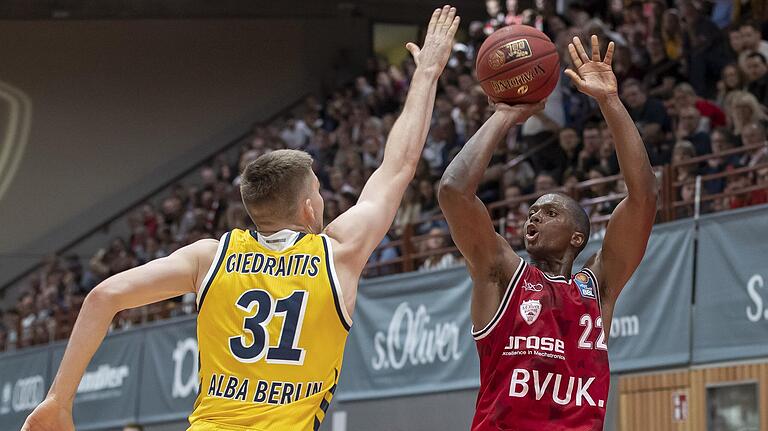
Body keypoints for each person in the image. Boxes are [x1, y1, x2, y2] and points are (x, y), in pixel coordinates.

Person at [20, 6, 461, 431]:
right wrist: (425, 75)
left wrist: (59, 400)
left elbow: (102, 296)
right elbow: (398, 166)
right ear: (309, 206)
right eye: (319, 190)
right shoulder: (339, 253)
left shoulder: (209, 258)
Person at [438, 35, 657, 430]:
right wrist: (504, 115)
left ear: (577, 236)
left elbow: (643, 197)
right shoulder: (502, 273)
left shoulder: (598, 289)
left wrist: (610, 102)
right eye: (531, 212)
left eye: (549, 212)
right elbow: (453, 191)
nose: (532, 218)